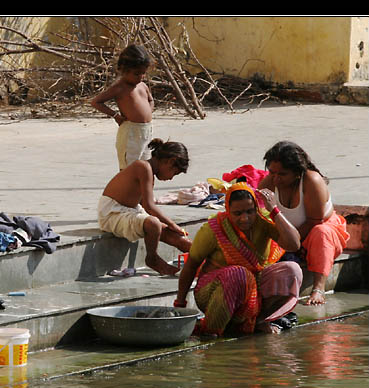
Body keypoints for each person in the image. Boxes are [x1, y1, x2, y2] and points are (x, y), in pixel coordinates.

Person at [174, 183, 303, 335]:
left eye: (250, 211)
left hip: (254, 287)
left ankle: (257, 321)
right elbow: (191, 265)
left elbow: (294, 244)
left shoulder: (263, 221)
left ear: (256, 208)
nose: (245, 218)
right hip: (213, 292)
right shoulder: (213, 229)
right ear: (228, 211)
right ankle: (212, 330)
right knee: (239, 274)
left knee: (291, 270)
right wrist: (180, 304)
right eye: (237, 213)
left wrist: (274, 210)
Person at [258, 141, 350, 305]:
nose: (276, 179)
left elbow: (315, 221)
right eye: (272, 172)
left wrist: (290, 243)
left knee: (321, 232)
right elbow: (261, 219)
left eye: (282, 174)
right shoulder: (268, 184)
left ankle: (318, 288)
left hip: (319, 232)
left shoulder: (312, 181)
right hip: (289, 238)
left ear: (297, 173)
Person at [98, 138, 192, 276]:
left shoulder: (149, 170)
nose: (171, 178)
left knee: (177, 238)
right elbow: (149, 206)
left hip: (130, 210)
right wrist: (172, 224)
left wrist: (171, 230)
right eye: (174, 173)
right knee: (154, 224)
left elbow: (143, 206)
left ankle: (200, 259)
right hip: (113, 213)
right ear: (170, 161)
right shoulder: (143, 167)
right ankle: (152, 258)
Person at [91, 44, 154, 170]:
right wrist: (116, 116)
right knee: (129, 167)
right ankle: (125, 188)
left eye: (143, 73)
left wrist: (148, 112)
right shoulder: (120, 87)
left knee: (146, 165)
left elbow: (150, 100)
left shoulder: (142, 86)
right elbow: (96, 102)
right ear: (124, 69)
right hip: (131, 132)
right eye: (136, 73)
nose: (141, 77)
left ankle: (142, 189)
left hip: (147, 131)